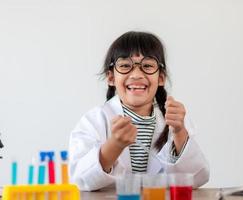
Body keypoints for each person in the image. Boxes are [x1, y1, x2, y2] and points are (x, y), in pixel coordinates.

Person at [69, 31, 209, 191]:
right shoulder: (94, 121)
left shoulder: (175, 120)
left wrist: (179, 132)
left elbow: (196, 178)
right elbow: (79, 180)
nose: (136, 74)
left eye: (148, 66)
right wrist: (114, 145)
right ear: (111, 77)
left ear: (161, 78)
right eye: (125, 66)